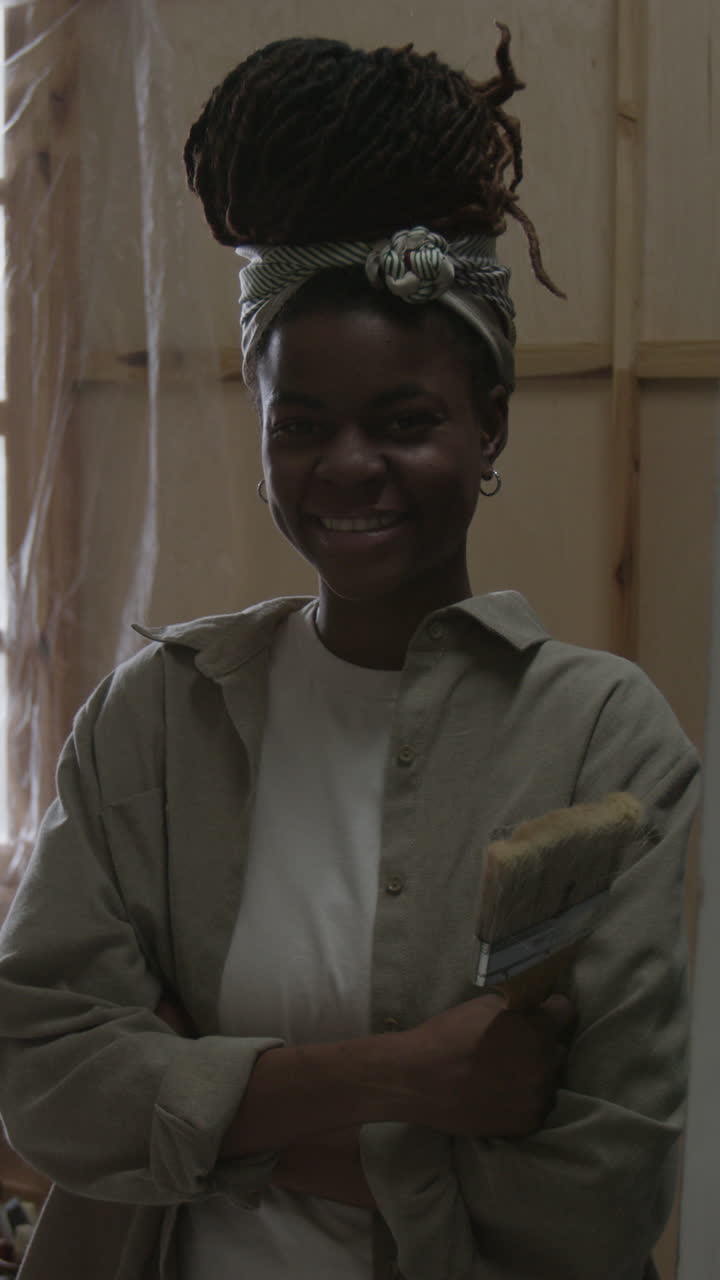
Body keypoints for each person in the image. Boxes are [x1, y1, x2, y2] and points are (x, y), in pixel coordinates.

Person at [0, 26, 700, 1280]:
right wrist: (409, 1078)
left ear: (489, 423)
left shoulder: (605, 735)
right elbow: (46, 1084)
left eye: (407, 420)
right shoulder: (150, 721)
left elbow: (594, 1197)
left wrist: (200, 1094)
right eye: (302, 424)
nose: (350, 467)